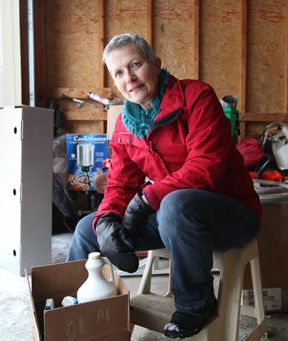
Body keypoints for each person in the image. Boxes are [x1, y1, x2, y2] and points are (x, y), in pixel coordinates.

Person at [66, 32, 261, 339]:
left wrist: (146, 200)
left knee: (175, 204)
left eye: (135, 65)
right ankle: (74, 313)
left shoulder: (196, 96)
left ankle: (196, 304)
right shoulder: (125, 125)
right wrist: (107, 219)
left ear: (155, 64)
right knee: (86, 228)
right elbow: (119, 182)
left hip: (231, 214)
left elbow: (205, 166)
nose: (129, 78)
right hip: (176, 219)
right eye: (118, 72)